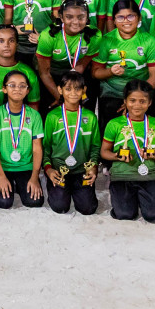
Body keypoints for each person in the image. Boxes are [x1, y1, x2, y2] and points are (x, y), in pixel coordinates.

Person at [100, 80, 155, 222]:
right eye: (132, 100)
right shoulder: (114, 124)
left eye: (142, 101)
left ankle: (152, 201)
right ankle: (128, 199)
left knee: (154, 216)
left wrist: (154, 154)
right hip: (122, 175)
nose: (137, 105)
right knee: (124, 215)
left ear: (150, 103)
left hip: (149, 175)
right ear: (124, 101)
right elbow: (104, 152)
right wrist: (118, 156)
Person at [91, 0, 155, 124]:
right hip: (112, 94)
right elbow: (95, 72)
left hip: (141, 96)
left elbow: (154, 76)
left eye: (131, 16)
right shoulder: (106, 40)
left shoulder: (149, 41)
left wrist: (135, 100)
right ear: (113, 20)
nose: (126, 21)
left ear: (139, 18)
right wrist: (110, 71)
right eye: (120, 17)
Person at [42, 72, 99, 215]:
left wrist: (93, 167)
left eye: (77, 89)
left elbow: (95, 147)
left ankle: (77, 188)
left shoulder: (90, 117)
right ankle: (54, 186)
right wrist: (48, 169)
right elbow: (45, 147)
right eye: (68, 89)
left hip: (82, 170)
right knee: (60, 207)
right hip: (59, 170)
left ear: (84, 90)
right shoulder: (52, 116)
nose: (73, 93)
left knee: (88, 208)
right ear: (60, 90)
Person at [0, 70, 45, 209]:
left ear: (27, 91)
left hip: (25, 167)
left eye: (22, 86)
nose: (17, 89)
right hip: (2, 167)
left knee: (34, 202)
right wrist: (0, 176)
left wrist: (35, 176)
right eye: (12, 85)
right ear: (4, 89)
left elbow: (37, 149)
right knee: (4, 203)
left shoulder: (34, 116)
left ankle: (19, 185)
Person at [36, 0, 97, 107]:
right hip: (51, 76)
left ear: (87, 17)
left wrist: (73, 94)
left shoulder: (94, 36)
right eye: (69, 17)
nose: (75, 22)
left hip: (76, 75)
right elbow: (44, 73)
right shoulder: (48, 36)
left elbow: (81, 65)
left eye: (81, 17)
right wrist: (60, 98)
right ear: (61, 17)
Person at [0, 26, 41, 119]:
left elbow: (33, 107)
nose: (6, 45)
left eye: (11, 40)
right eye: (1, 41)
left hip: (20, 129)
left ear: (17, 44)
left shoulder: (28, 72)